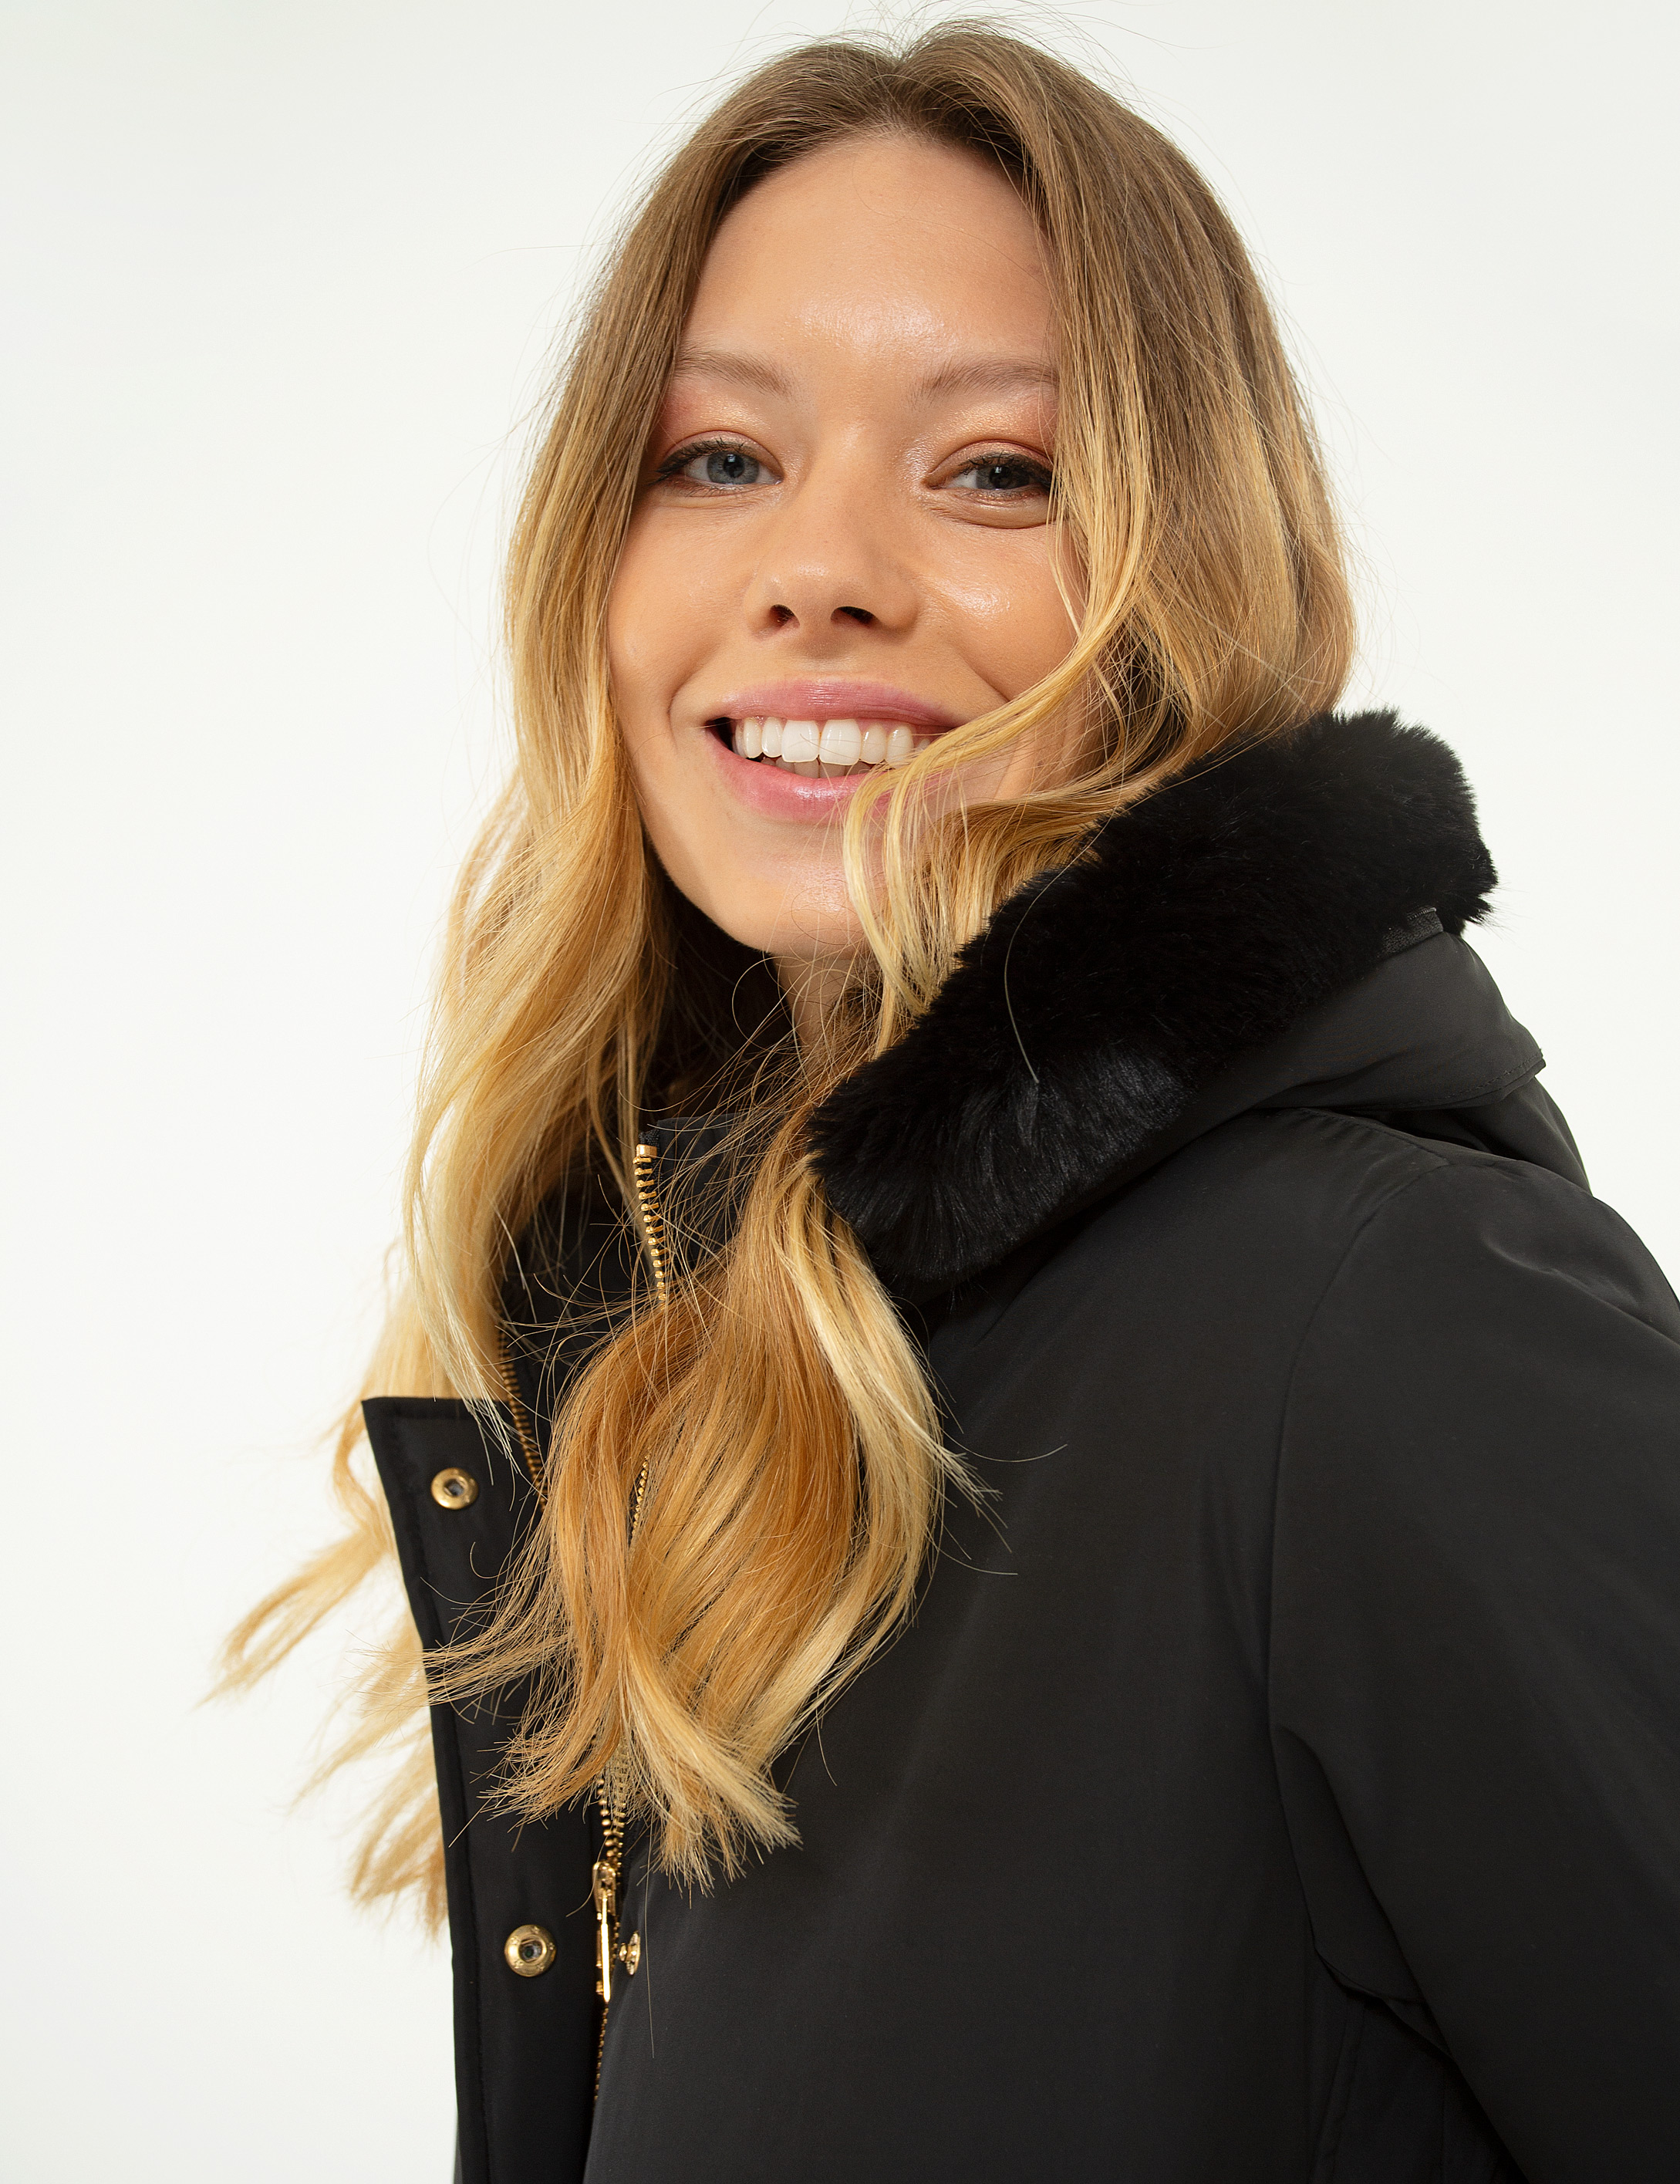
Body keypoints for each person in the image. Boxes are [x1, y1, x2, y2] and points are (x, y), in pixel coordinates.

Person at [227, 25, 1680, 2182]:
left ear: (1188, 580)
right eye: (718, 456)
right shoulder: (674, 1360)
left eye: (995, 470)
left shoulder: (1382, 1319)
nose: (816, 567)